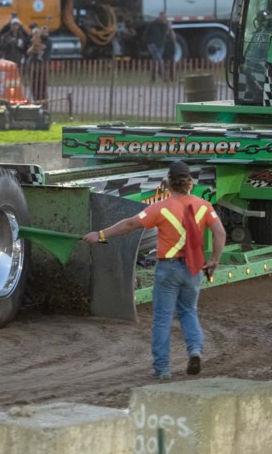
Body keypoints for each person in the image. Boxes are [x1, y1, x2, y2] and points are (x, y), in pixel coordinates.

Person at [83, 161, 226, 380]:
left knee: (162, 319)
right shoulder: (204, 206)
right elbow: (220, 233)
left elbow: (130, 224)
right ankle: (195, 350)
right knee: (189, 312)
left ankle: (163, 369)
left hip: (168, 268)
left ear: (168, 183)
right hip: (193, 268)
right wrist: (214, 260)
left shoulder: (161, 208)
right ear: (190, 183)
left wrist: (100, 235)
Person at [144, 11, 168, 82]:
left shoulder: (164, 25)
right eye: (163, 17)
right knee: (160, 60)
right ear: (159, 16)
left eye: (165, 17)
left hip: (161, 45)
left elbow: (165, 34)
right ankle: (164, 76)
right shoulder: (152, 24)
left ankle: (153, 78)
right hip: (153, 45)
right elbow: (146, 35)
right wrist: (150, 42)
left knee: (155, 61)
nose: (164, 18)